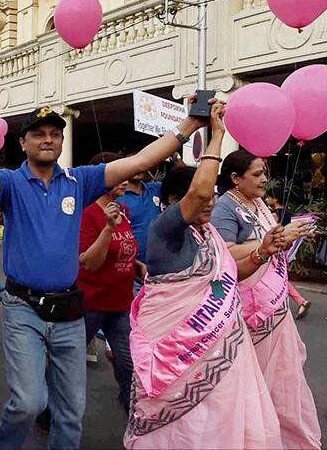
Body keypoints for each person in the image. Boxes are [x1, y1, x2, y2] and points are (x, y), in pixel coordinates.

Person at [0, 102, 215, 450]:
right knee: (28, 403)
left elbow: (141, 162)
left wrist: (189, 125)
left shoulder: (80, 180)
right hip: (23, 309)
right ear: (23, 143)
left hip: (69, 311)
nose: (47, 140)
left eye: (54, 134)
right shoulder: (11, 183)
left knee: (71, 411)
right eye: (38, 134)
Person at [125, 106, 283, 448]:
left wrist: (262, 252)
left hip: (220, 352)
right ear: (171, 202)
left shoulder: (208, 233)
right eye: (203, 196)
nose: (209, 201)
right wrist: (216, 135)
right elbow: (197, 193)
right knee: (185, 432)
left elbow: (228, 277)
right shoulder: (165, 229)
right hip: (176, 359)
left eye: (213, 196)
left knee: (220, 426)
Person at [212, 150, 321, 448]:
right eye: (257, 174)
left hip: (276, 309)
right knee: (253, 386)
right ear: (235, 178)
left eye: (264, 173)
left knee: (285, 386)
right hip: (250, 314)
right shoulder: (224, 208)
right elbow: (224, 256)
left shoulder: (258, 203)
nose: (264, 180)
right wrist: (269, 242)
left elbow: (273, 245)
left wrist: (292, 237)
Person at [76, 152, 141, 414]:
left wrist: (140, 267)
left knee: (128, 365)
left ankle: (134, 417)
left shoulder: (123, 210)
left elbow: (124, 249)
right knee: (69, 363)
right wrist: (108, 229)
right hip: (90, 305)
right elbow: (88, 262)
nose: (125, 180)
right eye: (119, 174)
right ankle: (48, 411)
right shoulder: (88, 213)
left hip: (121, 304)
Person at [265, 193, 313, 319]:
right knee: (280, 276)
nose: (266, 199)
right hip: (287, 248)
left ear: (275, 199)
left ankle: (300, 301)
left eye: (269, 197)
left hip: (277, 248)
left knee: (278, 277)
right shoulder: (289, 214)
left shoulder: (274, 215)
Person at [116, 167, 162, 279]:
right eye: (133, 164)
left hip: (160, 269)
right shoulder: (117, 197)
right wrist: (136, 264)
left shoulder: (155, 188)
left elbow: (183, 181)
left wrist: (176, 157)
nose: (138, 167)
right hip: (132, 270)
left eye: (142, 164)